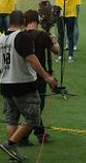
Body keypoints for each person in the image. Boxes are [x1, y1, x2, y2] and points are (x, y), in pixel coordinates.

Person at [0, 11, 57, 162]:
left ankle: (13, 155)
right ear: (23, 21)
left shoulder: (1, 38)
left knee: (11, 120)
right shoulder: (22, 36)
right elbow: (31, 58)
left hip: (5, 83)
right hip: (22, 83)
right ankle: (10, 144)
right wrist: (46, 76)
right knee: (33, 118)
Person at [23, 9, 60, 144]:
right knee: (38, 106)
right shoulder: (43, 36)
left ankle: (32, 134)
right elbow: (56, 51)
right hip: (40, 76)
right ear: (37, 21)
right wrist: (54, 40)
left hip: (24, 75)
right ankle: (36, 134)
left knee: (32, 106)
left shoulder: (20, 36)